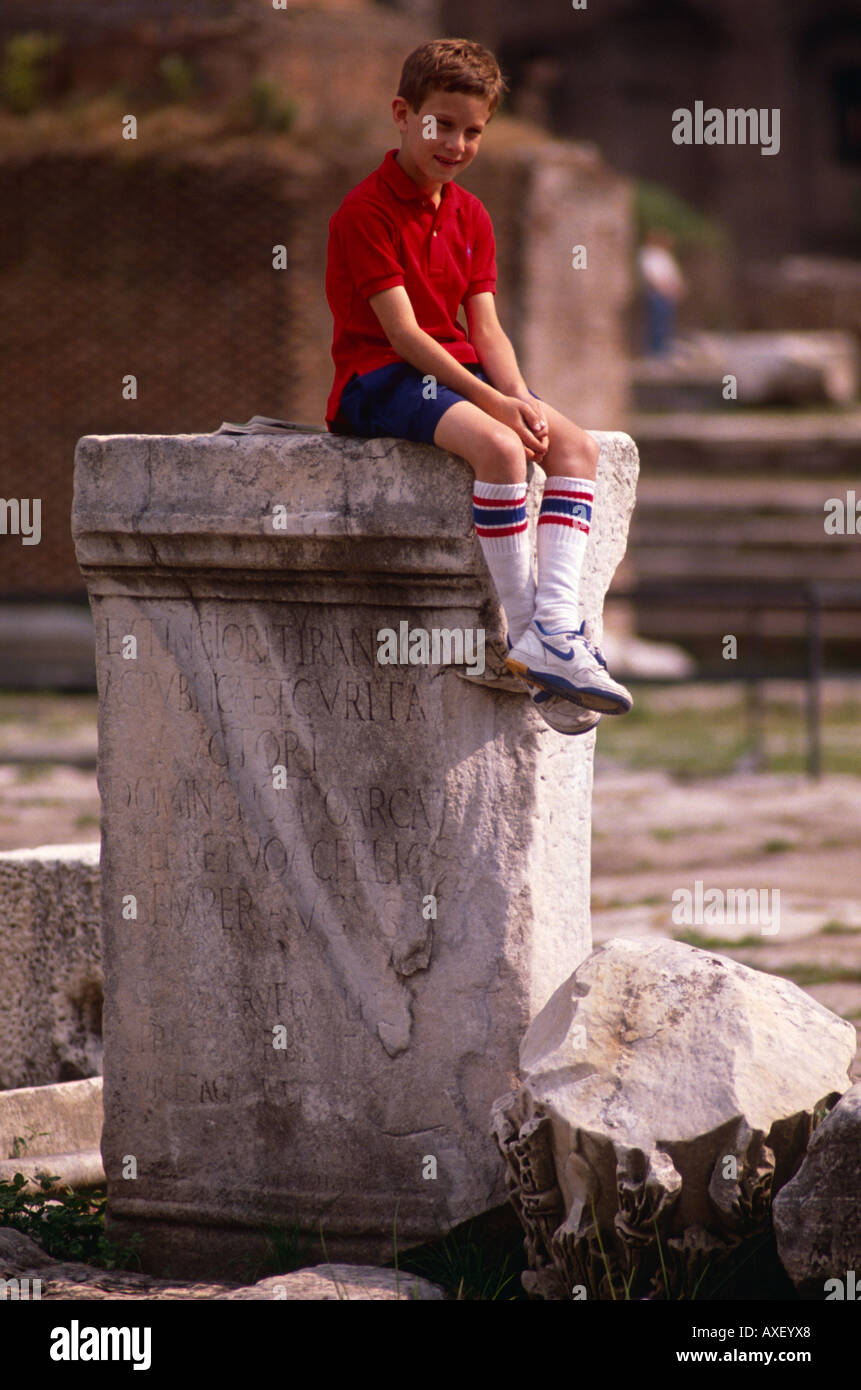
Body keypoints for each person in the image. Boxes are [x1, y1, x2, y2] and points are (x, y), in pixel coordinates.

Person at [325, 38, 632, 733]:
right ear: (403, 115)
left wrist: (519, 395)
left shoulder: (471, 215)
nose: (456, 143)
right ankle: (528, 633)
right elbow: (403, 337)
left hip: (456, 372)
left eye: (472, 131)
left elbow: (486, 330)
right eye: (442, 124)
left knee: (573, 447)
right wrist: (495, 407)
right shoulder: (364, 211)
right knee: (500, 449)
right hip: (379, 380)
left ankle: (554, 631)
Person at [638, 227, 685, 356]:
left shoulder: (665, 256)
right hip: (657, 294)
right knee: (656, 323)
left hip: (668, 295)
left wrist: (676, 289)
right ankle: (655, 352)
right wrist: (663, 288)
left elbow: (674, 276)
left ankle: (665, 350)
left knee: (667, 324)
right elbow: (651, 277)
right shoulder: (648, 255)